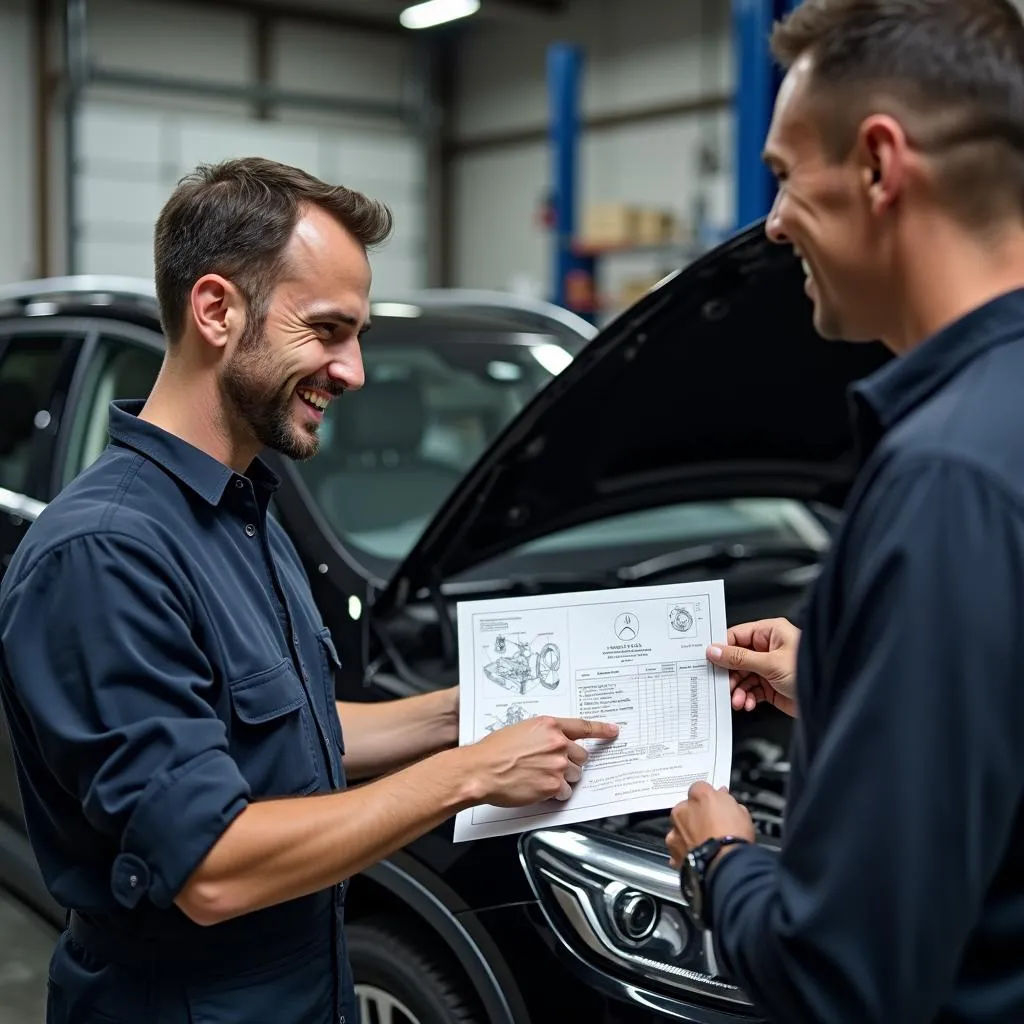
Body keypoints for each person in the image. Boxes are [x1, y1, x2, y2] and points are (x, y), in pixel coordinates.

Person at [0, 157, 618, 1024]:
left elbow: (295, 728)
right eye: (327, 330)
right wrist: (470, 773)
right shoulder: (105, 553)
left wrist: (465, 710)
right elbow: (213, 868)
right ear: (216, 310)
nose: (354, 370)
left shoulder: (245, 506)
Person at [664, 1, 1024, 1021]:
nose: (771, 224)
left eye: (782, 175)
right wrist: (840, 683)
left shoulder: (944, 479)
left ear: (877, 166)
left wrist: (720, 860)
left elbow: (844, 979)